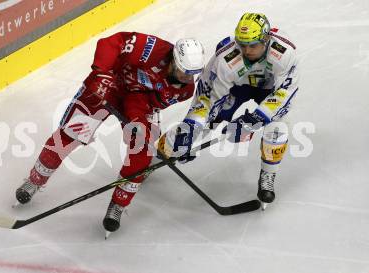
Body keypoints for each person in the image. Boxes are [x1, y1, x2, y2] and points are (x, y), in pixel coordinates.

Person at [15, 32, 205, 236]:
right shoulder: (152, 49)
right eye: (185, 71)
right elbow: (112, 42)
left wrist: (137, 121)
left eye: (193, 73)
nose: (188, 77)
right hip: (107, 83)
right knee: (69, 135)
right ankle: (34, 180)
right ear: (174, 61)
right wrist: (101, 72)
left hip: (137, 102)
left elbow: (144, 101)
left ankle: (118, 204)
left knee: (142, 153)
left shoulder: (184, 91)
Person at [158, 13, 299, 210]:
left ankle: (268, 174)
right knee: (199, 127)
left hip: (268, 90)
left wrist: (252, 121)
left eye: (253, 45)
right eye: (242, 45)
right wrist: (191, 127)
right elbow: (207, 101)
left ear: (266, 39)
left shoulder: (284, 53)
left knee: (278, 126)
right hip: (233, 90)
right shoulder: (225, 59)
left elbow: (285, 93)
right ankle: (160, 151)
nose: (246, 51)